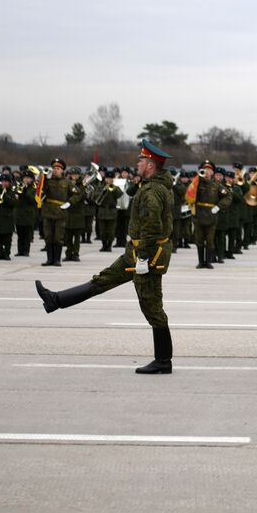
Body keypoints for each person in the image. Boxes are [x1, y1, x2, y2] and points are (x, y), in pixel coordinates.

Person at [36, 141, 178, 375]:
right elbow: (135, 199)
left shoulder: (153, 191)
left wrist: (143, 259)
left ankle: (163, 360)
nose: (138, 164)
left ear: (151, 165)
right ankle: (56, 300)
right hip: (134, 255)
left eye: (141, 161)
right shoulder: (148, 185)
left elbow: (152, 227)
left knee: (152, 308)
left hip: (147, 258)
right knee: (102, 280)